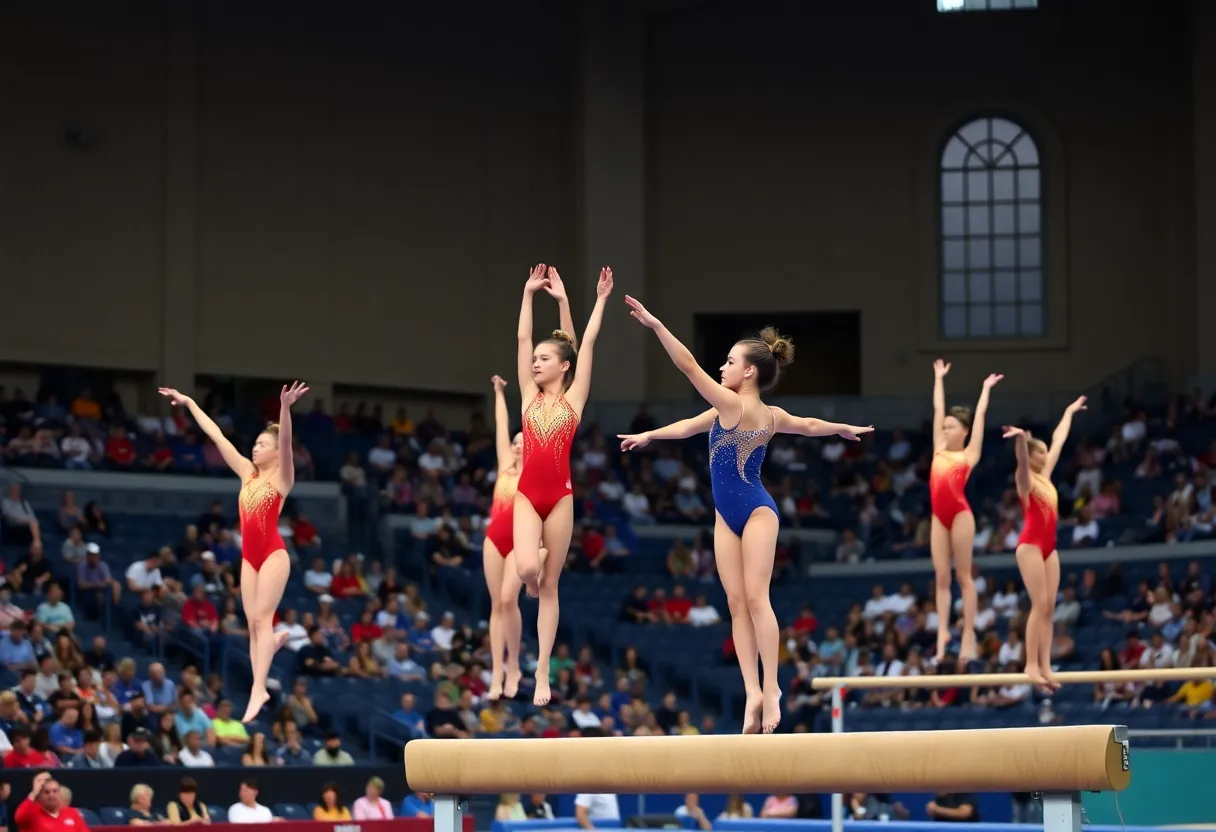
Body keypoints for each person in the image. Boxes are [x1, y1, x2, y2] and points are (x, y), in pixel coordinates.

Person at [617, 298, 872, 733]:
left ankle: (772, 688)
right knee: (736, 604)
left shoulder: (738, 407)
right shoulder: (745, 412)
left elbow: (690, 368)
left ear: (749, 371)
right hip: (724, 516)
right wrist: (650, 435)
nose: (722, 366)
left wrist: (658, 326)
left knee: (756, 598)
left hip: (756, 511)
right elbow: (803, 424)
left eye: (731, 361)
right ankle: (752, 691)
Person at [159, 381, 309, 722]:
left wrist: (285, 408)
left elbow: (286, 441)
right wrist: (190, 403)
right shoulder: (246, 474)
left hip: (273, 553)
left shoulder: (282, 478)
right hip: (249, 558)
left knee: (260, 619)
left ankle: (259, 688)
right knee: (254, 625)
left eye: (262, 444)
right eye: (255, 443)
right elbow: (217, 437)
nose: (255, 448)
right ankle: (273, 642)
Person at [514, 264, 614, 706]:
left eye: (544, 358)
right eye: (534, 359)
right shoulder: (526, 397)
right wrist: (528, 295)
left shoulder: (574, 398)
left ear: (564, 367)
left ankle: (541, 672)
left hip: (560, 500)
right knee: (527, 572)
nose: (535, 362)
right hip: (526, 496)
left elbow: (585, 342)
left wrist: (597, 300)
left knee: (549, 586)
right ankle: (531, 577)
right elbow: (521, 340)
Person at [1002, 395, 1087, 691]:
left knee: (1050, 607)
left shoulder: (1047, 478)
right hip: (1030, 546)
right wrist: (1022, 441)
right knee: (1039, 604)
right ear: (1034, 455)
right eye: (1043, 452)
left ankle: (1047, 666)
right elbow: (1023, 460)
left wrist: (1068, 411)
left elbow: (1059, 439)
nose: (1047, 455)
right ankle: (1031, 665)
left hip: (1049, 547)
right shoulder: (1026, 481)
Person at [929, 360, 1002, 662]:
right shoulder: (937, 447)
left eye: (950, 426)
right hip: (937, 517)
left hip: (960, 514)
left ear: (964, 430)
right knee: (941, 578)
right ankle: (942, 635)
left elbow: (982, 415)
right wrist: (939, 379)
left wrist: (985, 389)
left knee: (963, 577)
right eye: (943, 426)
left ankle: (969, 634)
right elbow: (937, 409)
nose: (944, 430)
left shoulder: (969, 454)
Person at [482, 375, 526, 700]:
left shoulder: (537, 473)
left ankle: (514, 666)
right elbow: (501, 425)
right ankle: (497, 670)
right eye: (514, 443)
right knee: (496, 604)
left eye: (523, 442)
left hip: (519, 542)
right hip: (494, 538)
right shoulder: (505, 467)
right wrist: (499, 393)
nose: (516, 445)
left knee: (510, 601)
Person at [14, 773, 86, 832]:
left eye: (55, 791)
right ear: (39, 796)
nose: (51, 794)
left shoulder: (72, 813)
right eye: (46, 792)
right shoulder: (31, 815)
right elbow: (19, 818)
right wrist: (34, 792)